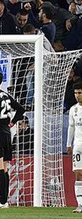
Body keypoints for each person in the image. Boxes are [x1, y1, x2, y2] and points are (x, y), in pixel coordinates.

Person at [0, 71, 25, 209]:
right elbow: (20, 109)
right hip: (7, 134)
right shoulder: (6, 95)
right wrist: (12, 122)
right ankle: (4, 201)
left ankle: (2, 202)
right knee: (5, 168)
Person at [67, 82, 82, 213]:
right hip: (77, 145)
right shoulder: (73, 109)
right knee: (78, 173)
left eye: (80, 93)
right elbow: (71, 127)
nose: (77, 95)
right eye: (76, 93)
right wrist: (68, 143)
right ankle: (80, 204)